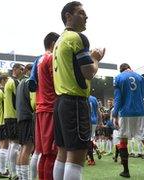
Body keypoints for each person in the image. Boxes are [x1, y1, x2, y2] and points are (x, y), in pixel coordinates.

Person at [52, 2, 105, 180]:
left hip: (60, 102)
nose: (86, 17)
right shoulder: (78, 37)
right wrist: (96, 58)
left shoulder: (59, 41)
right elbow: (89, 72)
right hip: (74, 102)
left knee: (62, 153)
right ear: (68, 16)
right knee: (76, 156)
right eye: (81, 13)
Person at [29, 32, 60, 180]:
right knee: (52, 154)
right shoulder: (51, 58)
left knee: (44, 154)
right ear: (54, 44)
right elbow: (57, 84)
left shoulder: (39, 60)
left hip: (41, 109)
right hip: (50, 108)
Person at [4, 63, 24, 179]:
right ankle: (14, 172)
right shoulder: (14, 82)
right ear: (15, 69)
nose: (22, 71)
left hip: (8, 116)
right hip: (13, 116)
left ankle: (12, 172)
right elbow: (19, 99)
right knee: (15, 144)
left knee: (12, 144)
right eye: (21, 69)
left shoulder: (8, 82)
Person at [15, 64, 35, 180]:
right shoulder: (28, 82)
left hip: (20, 118)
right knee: (28, 148)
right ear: (28, 71)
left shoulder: (19, 84)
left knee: (22, 148)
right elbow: (33, 102)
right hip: (27, 117)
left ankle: (20, 175)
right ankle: (25, 178)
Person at [0, 74, 10, 178]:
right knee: (4, 146)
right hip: (3, 122)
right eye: (7, 80)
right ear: (3, 80)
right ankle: (3, 170)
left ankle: (0, 169)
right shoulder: (2, 92)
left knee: (1, 146)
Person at [87, 95, 102, 165]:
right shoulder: (94, 98)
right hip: (94, 121)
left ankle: (91, 159)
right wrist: (100, 122)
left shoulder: (84, 98)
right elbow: (99, 112)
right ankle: (95, 148)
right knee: (91, 138)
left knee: (87, 140)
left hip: (87, 121)